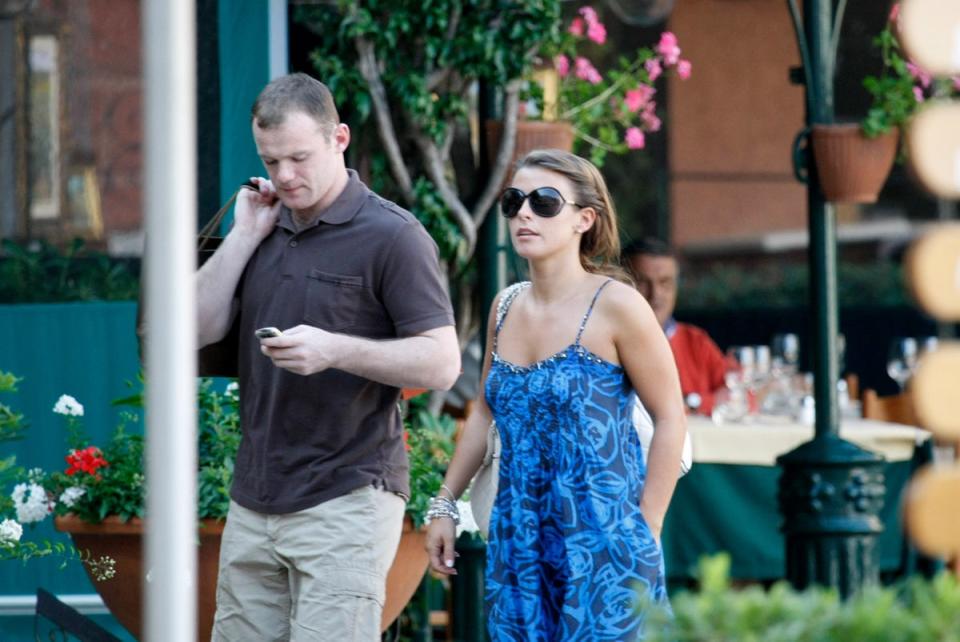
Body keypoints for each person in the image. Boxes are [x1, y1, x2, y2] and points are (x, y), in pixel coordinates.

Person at [196, 73, 461, 641]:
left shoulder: (393, 236)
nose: (285, 176)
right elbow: (191, 330)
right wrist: (243, 236)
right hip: (255, 496)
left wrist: (334, 349)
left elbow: (442, 363)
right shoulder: (262, 221)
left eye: (298, 157)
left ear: (339, 138)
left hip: (348, 496)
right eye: (271, 161)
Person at [425, 150, 687, 640]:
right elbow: (484, 412)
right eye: (514, 200)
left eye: (545, 202)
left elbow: (671, 417)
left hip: (605, 541)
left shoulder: (619, 306)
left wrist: (645, 529)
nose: (524, 212)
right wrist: (444, 505)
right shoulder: (504, 306)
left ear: (584, 219)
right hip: (520, 539)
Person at [622, 237, 727, 416]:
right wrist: (698, 403)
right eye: (642, 282)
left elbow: (740, 395)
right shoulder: (603, 343)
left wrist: (693, 402)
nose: (655, 294)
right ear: (620, 283)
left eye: (665, 282)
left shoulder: (696, 342)